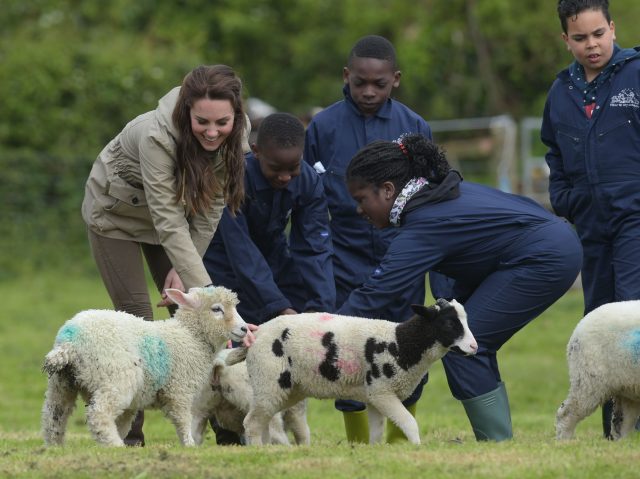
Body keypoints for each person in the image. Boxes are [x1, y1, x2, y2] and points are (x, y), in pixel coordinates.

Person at [337, 133, 583, 441]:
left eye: (361, 199)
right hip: (546, 245)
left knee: (460, 346)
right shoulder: (436, 197)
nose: (359, 210)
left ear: (387, 190)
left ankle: (497, 446)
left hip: (545, 257)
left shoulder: (425, 222)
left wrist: (317, 331)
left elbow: (377, 291)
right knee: (465, 338)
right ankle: (498, 440)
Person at [81, 64, 257, 446]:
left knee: (195, 323)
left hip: (171, 223)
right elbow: (167, 218)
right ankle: (130, 436)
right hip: (116, 217)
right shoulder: (155, 136)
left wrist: (186, 270)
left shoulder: (237, 134)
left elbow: (210, 209)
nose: (212, 132)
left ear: (236, 116)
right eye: (202, 122)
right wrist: (210, 296)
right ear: (185, 113)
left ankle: (223, 427)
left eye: (222, 122)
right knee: (138, 321)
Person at [304, 34, 432, 443]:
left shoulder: (414, 127)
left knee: (408, 349)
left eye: (379, 83)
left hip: (403, 256)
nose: (369, 91)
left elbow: (431, 197)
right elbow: (308, 199)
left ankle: (400, 444)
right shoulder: (323, 126)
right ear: (347, 76)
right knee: (349, 354)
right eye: (360, 82)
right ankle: (359, 444)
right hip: (344, 257)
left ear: (396, 79)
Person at [541, 0, 640, 438]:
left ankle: (637, 428)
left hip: (636, 220)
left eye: (598, 34)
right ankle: (611, 431)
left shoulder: (636, 75)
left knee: (633, 321)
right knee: (598, 324)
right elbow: (553, 152)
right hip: (591, 227)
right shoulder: (560, 91)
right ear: (566, 39)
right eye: (580, 38)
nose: (592, 45)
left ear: (613, 29)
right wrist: (564, 198)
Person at [203, 112, 335, 326]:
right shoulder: (234, 179)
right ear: (256, 152)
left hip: (274, 253)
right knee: (246, 330)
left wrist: (321, 306)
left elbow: (315, 246)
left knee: (308, 313)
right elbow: (241, 250)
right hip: (225, 259)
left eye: (293, 168)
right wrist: (278, 307)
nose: (285, 177)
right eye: (275, 168)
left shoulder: (309, 182)